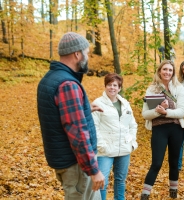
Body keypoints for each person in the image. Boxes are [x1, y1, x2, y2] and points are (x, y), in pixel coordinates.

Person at [37, 32, 105, 199]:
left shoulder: (50, 78)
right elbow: (77, 132)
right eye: (87, 53)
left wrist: (84, 109)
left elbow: (58, 113)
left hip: (68, 162)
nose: (88, 57)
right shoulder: (67, 85)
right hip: (77, 165)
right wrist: (93, 170)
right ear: (77, 54)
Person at [140, 60, 184, 200]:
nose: (167, 72)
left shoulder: (179, 88)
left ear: (173, 73)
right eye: (164, 69)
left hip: (176, 129)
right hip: (159, 129)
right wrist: (157, 111)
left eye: (170, 70)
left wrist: (166, 112)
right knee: (156, 163)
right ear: (159, 71)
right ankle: (145, 195)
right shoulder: (152, 89)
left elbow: (182, 112)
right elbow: (145, 114)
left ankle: (173, 193)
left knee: (174, 162)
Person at [92, 73, 138, 200]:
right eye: (109, 85)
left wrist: (132, 142)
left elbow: (132, 125)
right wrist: (102, 146)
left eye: (115, 85)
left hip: (124, 149)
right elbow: (94, 128)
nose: (112, 88)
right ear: (105, 86)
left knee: (120, 180)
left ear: (119, 88)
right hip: (105, 151)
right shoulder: (98, 103)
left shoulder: (125, 104)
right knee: (102, 182)